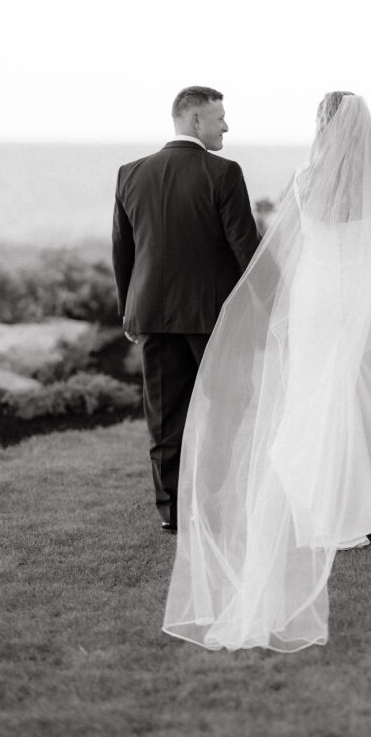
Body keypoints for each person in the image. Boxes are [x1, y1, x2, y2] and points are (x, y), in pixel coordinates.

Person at [162, 92, 371, 651]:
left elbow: (288, 252)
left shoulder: (303, 178)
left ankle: (336, 503)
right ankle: (365, 504)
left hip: (314, 299)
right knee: (363, 393)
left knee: (319, 396)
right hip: (361, 300)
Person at [111, 86, 260, 532]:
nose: (226, 126)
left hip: (151, 316)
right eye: (220, 118)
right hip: (213, 320)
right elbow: (246, 254)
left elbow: (124, 252)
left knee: (164, 417)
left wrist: (128, 311)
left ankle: (172, 513)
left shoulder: (130, 173)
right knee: (226, 412)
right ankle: (213, 506)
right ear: (196, 121)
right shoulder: (225, 173)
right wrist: (260, 310)